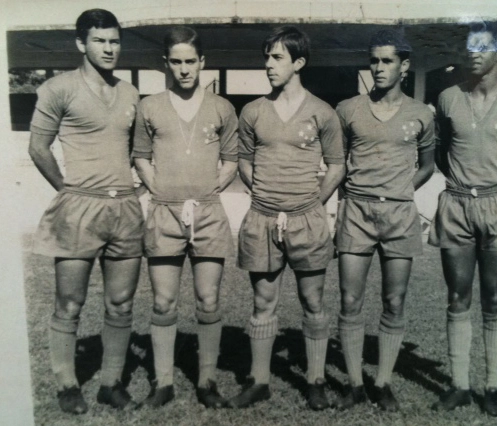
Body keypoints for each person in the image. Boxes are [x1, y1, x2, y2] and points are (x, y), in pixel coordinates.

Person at [28, 9, 143, 414]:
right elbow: (38, 147)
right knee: (70, 302)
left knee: (122, 303)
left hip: (125, 209)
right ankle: (66, 383)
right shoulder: (58, 88)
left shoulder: (130, 93)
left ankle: (110, 383)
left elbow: (133, 149)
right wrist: (67, 189)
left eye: (114, 41)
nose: (109, 48)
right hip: (79, 208)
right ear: (81, 44)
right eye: (100, 41)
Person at [227, 26, 345, 410]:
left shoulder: (322, 112)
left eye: (277, 58)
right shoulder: (253, 111)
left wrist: (315, 201)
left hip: (306, 220)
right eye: (267, 57)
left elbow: (337, 165)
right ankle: (259, 380)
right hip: (262, 219)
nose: (268, 65)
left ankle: (314, 379)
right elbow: (244, 161)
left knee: (313, 301)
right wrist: (260, 192)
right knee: (263, 301)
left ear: (299, 63)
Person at [429, 22, 497, 417]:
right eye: (469, 45)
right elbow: (441, 151)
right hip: (456, 205)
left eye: (483, 46)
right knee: (458, 297)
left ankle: (493, 386)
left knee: (494, 298)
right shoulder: (447, 97)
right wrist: (463, 183)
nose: (473, 52)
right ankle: (458, 385)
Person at [133, 26, 238, 408]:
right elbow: (141, 156)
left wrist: (208, 191)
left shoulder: (222, 107)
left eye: (190, 62)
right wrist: (158, 188)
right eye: (175, 62)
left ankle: (207, 380)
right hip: (164, 212)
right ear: (166, 64)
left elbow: (232, 161)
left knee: (208, 299)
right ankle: (163, 382)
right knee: (163, 302)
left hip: (208, 213)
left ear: (202, 63)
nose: (183, 69)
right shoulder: (150, 106)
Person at [333, 30, 435, 411]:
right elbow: (337, 162)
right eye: (374, 60)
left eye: (387, 61)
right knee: (350, 298)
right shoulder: (348, 109)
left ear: (404, 66)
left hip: (399, 214)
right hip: (356, 212)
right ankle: (355, 383)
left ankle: (384, 381)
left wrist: (401, 188)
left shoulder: (421, 114)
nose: (378, 67)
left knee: (394, 300)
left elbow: (427, 165)